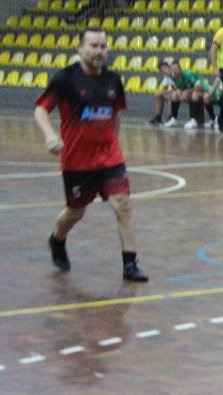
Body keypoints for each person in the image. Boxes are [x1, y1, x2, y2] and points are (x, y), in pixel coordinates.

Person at [35, 27, 149, 282]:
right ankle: (57, 239)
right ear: (80, 48)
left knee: (123, 204)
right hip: (77, 159)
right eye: (94, 46)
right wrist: (50, 136)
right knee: (76, 211)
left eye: (103, 46)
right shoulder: (65, 78)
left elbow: (116, 114)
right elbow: (41, 110)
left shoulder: (113, 80)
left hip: (109, 156)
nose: (99, 52)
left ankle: (130, 264)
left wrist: (113, 145)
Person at [149, 60, 176, 125]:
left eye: (165, 68)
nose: (164, 71)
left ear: (169, 67)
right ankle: (158, 118)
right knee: (159, 96)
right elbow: (164, 89)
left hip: (183, 92)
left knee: (170, 96)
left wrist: (165, 92)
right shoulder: (167, 77)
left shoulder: (176, 74)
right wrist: (159, 94)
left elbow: (179, 87)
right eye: (162, 70)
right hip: (175, 93)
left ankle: (171, 117)